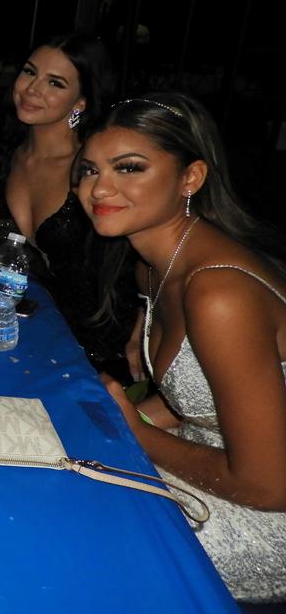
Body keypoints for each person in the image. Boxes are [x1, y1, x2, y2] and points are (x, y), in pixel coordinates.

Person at [77, 93, 286, 602]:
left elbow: (268, 485)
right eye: (89, 170)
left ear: (190, 178)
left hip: (268, 511)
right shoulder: (151, 266)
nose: (99, 188)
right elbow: (196, 403)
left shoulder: (220, 295)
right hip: (212, 457)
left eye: (129, 168)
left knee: (88, 541)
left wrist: (136, 433)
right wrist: (122, 420)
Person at [0, 33, 138, 375]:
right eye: (30, 72)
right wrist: (1, 210)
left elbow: (146, 251)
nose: (32, 89)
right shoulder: (13, 151)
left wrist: (145, 329)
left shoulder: (92, 169)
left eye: (55, 83)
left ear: (81, 102)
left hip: (98, 349)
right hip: (28, 326)